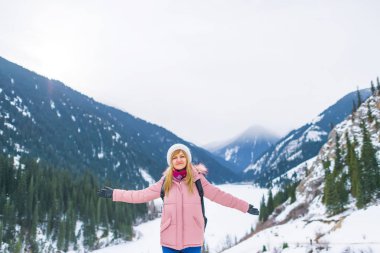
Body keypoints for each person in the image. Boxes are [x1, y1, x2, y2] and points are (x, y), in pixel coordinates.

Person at [98, 143, 259, 253]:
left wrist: (245, 206)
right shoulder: (164, 182)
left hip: (193, 240)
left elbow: (220, 196)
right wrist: (115, 194)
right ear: (171, 161)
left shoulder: (198, 181)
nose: (179, 159)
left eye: (182, 156)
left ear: (187, 159)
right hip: (169, 241)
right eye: (175, 157)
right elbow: (141, 195)